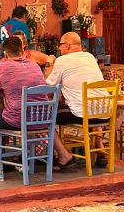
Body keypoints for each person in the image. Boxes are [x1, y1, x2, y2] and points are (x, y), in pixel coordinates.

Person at [0, 35, 78, 177]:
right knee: (10, 112)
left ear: (6, 53)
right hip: (42, 119)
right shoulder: (34, 65)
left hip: (18, 120)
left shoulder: (3, 66)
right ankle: (15, 158)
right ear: (22, 50)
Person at [45, 31, 107, 168]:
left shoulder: (62, 60)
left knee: (44, 116)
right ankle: (100, 148)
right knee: (90, 104)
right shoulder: (90, 57)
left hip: (82, 112)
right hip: (103, 112)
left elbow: (49, 86)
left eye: (60, 46)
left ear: (67, 45)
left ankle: (64, 155)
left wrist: (49, 64)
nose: (59, 49)